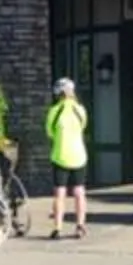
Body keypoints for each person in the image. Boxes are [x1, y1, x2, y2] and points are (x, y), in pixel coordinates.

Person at [45, 75, 89, 239]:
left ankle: (57, 227)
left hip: (60, 155)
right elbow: (83, 127)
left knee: (60, 193)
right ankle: (80, 225)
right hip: (79, 156)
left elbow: (50, 133)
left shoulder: (54, 111)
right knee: (79, 191)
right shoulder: (80, 110)